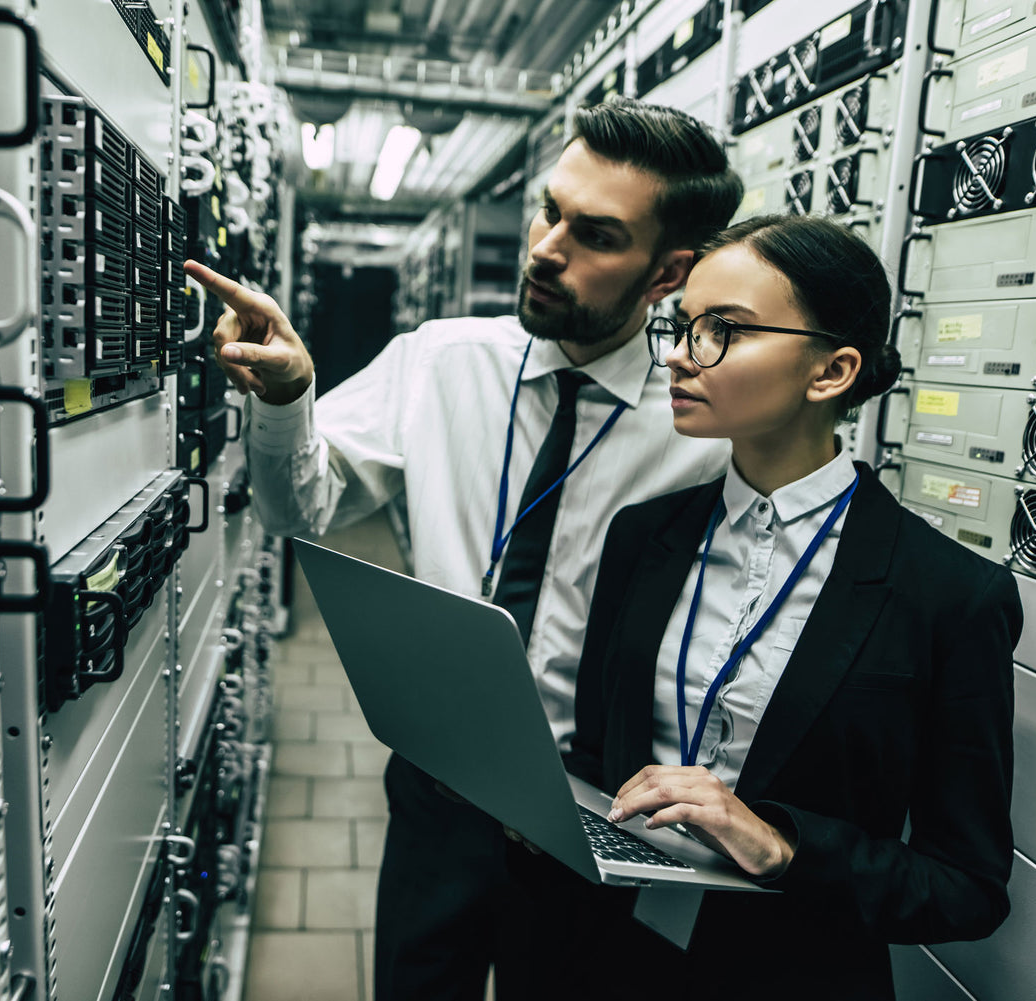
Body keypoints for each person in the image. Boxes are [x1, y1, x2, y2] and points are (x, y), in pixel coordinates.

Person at [185, 97, 743, 1000]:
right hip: (440, 790)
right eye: (549, 210)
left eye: (594, 234)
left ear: (666, 272)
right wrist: (287, 402)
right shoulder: (441, 361)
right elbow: (299, 511)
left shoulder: (703, 425)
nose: (546, 248)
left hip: (593, 812)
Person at [560, 214, 1020, 998]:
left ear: (831, 371)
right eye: (681, 327)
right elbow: (597, 756)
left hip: (792, 972)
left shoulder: (948, 595)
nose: (678, 353)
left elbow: (965, 886)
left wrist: (778, 846)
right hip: (611, 953)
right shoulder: (644, 537)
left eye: (721, 330)